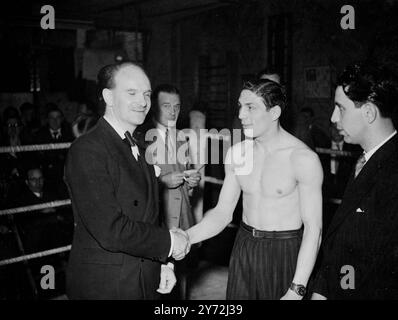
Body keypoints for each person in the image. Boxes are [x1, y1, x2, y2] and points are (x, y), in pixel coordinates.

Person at [186, 79, 323, 300]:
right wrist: (186, 237)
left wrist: (297, 289)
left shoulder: (302, 158)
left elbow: (313, 229)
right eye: (240, 106)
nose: (241, 115)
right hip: (244, 246)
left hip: (285, 251)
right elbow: (222, 213)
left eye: (251, 107)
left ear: (274, 112)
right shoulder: (236, 154)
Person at [64, 62, 190, 300]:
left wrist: (164, 263)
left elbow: (150, 216)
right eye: (131, 93)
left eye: (146, 94)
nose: (143, 102)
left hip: (143, 278)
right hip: (105, 286)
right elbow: (110, 230)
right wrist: (170, 243)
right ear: (108, 97)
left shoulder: (140, 147)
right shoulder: (87, 150)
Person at [311, 63, 398, 300]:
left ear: (369, 112)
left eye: (341, 108)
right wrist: (321, 290)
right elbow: (343, 240)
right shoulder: (364, 160)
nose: (333, 117)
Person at [137, 84, 201, 299]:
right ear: (154, 107)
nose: (173, 112)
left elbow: (185, 176)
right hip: (158, 219)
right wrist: (161, 182)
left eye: (177, 106)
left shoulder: (181, 137)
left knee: (182, 277)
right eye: (166, 106)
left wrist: (191, 181)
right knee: (157, 282)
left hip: (182, 216)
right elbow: (134, 185)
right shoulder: (141, 138)